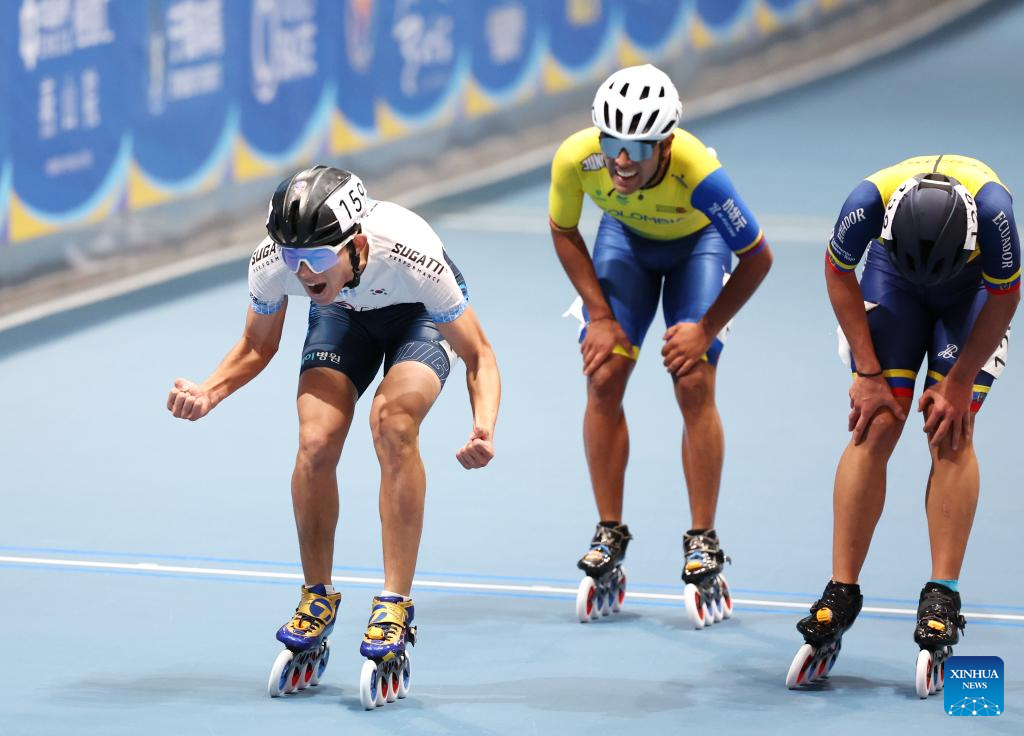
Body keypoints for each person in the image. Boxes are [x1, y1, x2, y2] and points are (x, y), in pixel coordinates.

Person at [166, 165, 500, 706]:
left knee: (392, 424)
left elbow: (479, 354)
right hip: (343, 317)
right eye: (293, 259)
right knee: (316, 441)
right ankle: (316, 596)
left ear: (357, 245)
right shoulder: (273, 260)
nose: (303, 273)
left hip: (417, 317)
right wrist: (209, 391)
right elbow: (256, 345)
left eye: (318, 259)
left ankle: (394, 604)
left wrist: (483, 425)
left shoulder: (411, 252)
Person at [548, 64, 773, 625]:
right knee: (603, 376)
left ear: (666, 145)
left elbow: (758, 257)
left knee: (692, 380)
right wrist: (600, 316)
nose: (622, 160)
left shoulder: (701, 174)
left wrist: (707, 328)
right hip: (625, 242)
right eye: (613, 143)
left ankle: (703, 539)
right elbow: (564, 230)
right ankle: (609, 530)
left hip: (699, 247)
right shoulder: (577, 157)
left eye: (638, 148)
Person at [786, 155, 1019, 695]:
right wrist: (868, 373)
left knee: (951, 428)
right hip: (893, 277)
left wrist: (959, 382)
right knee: (876, 421)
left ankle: (943, 594)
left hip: (970, 287)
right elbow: (837, 271)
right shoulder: (866, 204)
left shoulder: (994, 214)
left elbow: (1005, 295)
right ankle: (841, 590)